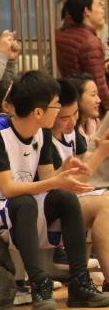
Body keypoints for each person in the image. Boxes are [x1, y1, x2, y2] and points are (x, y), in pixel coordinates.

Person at [0, 70, 109, 310]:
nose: (58, 110)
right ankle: (40, 284)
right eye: (55, 105)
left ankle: (80, 283)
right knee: (25, 202)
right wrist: (56, 181)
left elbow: (47, 179)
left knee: (65, 199)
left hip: (16, 202)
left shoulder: (41, 132)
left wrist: (64, 171)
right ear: (38, 112)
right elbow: (8, 188)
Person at [48, 77, 109, 293]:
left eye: (75, 114)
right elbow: (70, 183)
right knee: (105, 205)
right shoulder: (44, 138)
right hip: (51, 204)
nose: (72, 122)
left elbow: (84, 162)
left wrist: (100, 151)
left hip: (71, 199)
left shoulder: (71, 133)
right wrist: (102, 153)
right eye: (64, 117)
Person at [56, 0, 108, 113]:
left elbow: (75, 2)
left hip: (71, 101)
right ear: (86, 11)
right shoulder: (90, 42)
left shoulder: (61, 33)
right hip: (89, 107)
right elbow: (99, 86)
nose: (103, 9)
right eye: (98, 5)